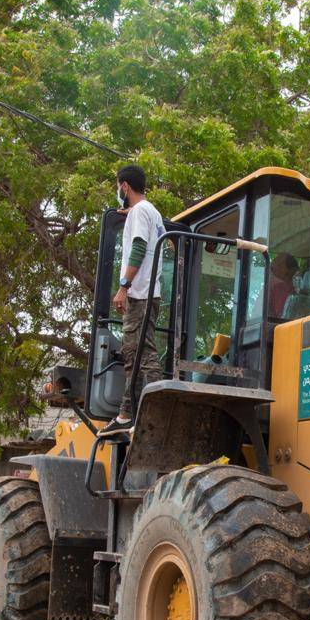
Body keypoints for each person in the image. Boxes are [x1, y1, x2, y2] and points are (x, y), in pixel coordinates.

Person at [105, 163, 166, 433]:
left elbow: (140, 246)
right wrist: (132, 214)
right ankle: (127, 413)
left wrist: (123, 286)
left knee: (141, 353)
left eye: (118, 186)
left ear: (125, 186)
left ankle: (152, 411)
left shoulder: (141, 212)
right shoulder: (151, 212)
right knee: (136, 351)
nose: (118, 190)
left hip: (140, 293)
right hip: (150, 293)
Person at [267, 253, 299, 319]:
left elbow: (279, 316)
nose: (272, 265)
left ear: (285, 270)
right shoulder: (292, 289)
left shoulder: (280, 288)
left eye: (278, 264)